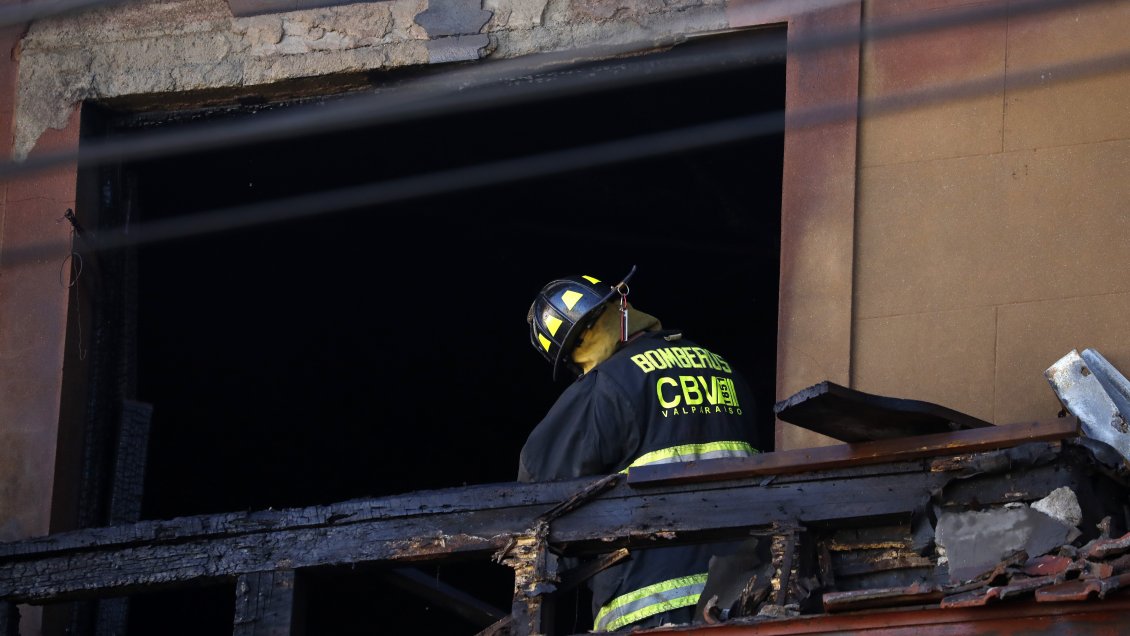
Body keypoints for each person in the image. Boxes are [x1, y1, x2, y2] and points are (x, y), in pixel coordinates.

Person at [519, 265, 761, 632]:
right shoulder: (725, 370)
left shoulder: (607, 385)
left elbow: (535, 490)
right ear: (621, 303)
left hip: (648, 606)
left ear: (571, 358)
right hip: (744, 597)